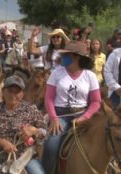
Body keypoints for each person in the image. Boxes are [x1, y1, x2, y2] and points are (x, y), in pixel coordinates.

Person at [42, 41, 101, 174]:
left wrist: (85, 117)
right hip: (60, 116)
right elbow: (49, 99)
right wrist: (53, 118)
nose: (63, 57)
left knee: (103, 138)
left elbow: (96, 102)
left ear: (77, 57)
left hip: (84, 115)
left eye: (67, 55)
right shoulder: (56, 73)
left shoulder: (90, 76)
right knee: (51, 145)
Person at [0, 75, 46, 174]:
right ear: (2, 91)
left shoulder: (31, 109)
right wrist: (2, 142)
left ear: (22, 94)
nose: (13, 95)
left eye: (17, 92)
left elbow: (45, 131)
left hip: (25, 159)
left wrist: (34, 131)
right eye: (10, 90)